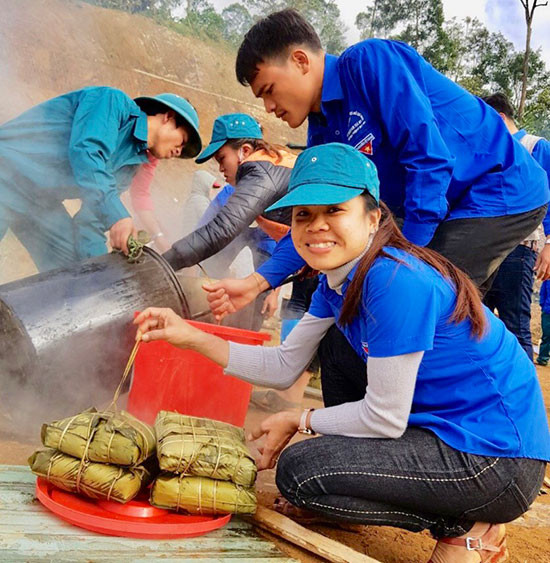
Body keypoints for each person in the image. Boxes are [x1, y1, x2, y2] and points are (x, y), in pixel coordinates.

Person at [136, 144, 549, 563]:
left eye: (334, 210)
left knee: (299, 472)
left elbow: (384, 416)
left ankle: (466, 527)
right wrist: (188, 335)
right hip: (444, 434)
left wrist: (300, 419)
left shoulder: (393, 281)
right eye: (303, 215)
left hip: (495, 460)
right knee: (333, 347)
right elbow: (283, 366)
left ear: (372, 219)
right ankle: (394, 495)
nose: (316, 226)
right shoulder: (337, 283)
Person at [204, 8, 548, 378]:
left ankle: (460, 414)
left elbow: (429, 162)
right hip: (443, 205)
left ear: (300, 61)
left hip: (495, 189)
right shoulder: (324, 132)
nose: (269, 108)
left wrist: (405, 261)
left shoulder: (369, 64)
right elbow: (316, 222)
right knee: (350, 327)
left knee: (410, 300)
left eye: (268, 90)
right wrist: (257, 282)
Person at [0, 87, 201, 271]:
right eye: (182, 141)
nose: (178, 151)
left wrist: (101, 274)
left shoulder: (130, 167)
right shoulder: (112, 103)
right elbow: (86, 153)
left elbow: (91, 222)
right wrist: (117, 216)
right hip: (7, 171)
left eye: (182, 150)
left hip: (40, 202)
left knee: (72, 272)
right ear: (169, 117)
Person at [162, 112, 295, 330]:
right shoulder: (263, 173)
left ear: (244, 151)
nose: (220, 169)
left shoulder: (260, 172)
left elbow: (220, 231)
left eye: (222, 159)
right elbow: (207, 230)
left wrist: (164, 264)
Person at [483, 92, 550, 359]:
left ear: (499, 118)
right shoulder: (487, 152)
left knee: (515, 323)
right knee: (481, 322)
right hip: (485, 249)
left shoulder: (536, 147)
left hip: (519, 248)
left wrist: (549, 244)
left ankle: (524, 398)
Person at [537, 280, 550, 366]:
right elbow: (542, 293)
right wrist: (543, 306)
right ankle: (543, 358)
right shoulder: (547, 280)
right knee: (546, 335)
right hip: (547, 311)